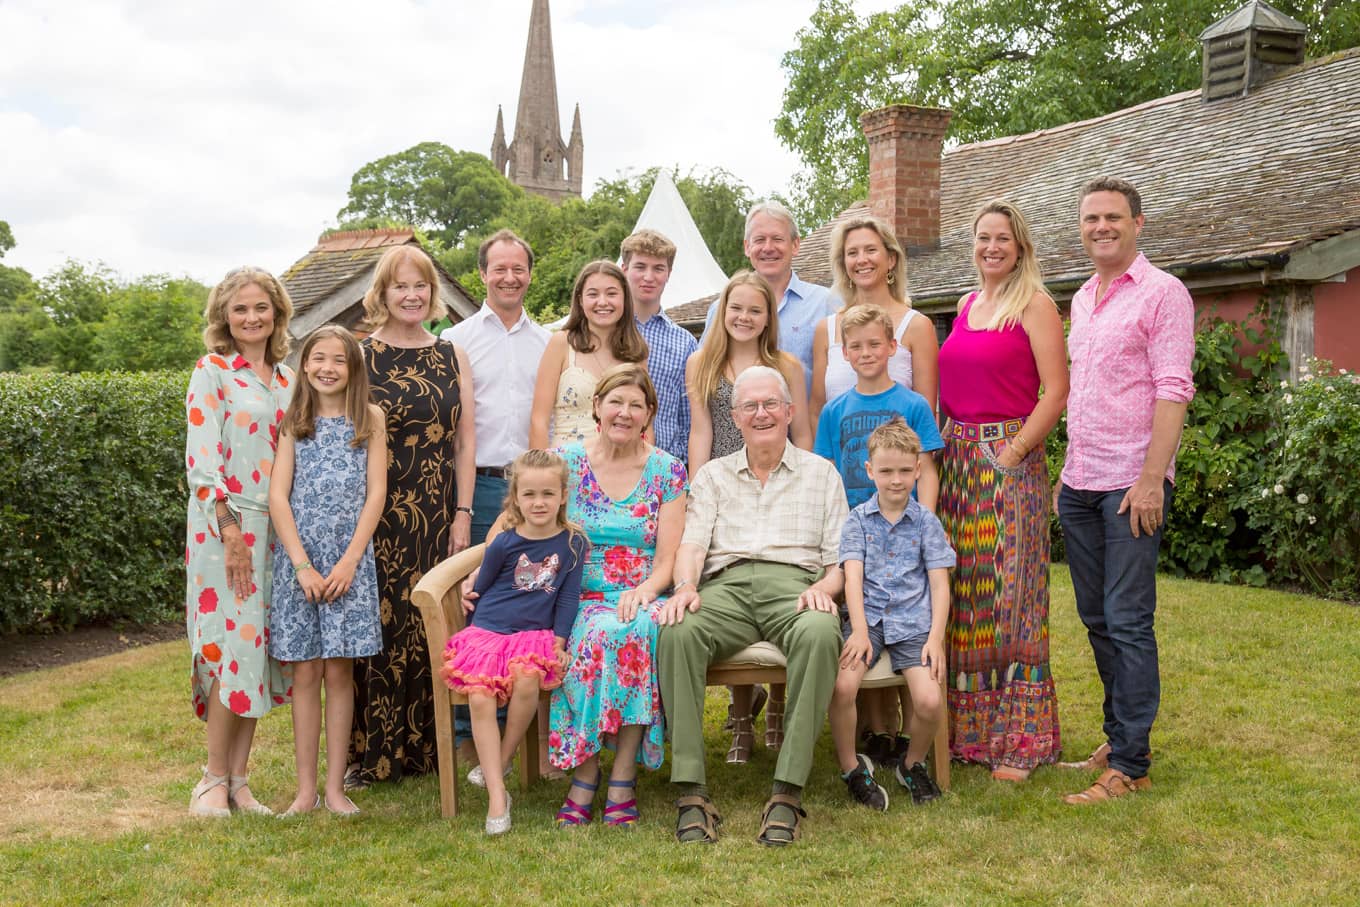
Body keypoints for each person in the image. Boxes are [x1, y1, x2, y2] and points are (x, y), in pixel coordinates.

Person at [658, 365, 848, 847]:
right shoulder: (714, 475)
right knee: (678, 629)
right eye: (749, 407)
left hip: (797, 585)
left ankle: (787, 791)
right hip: (727, 587)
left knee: (821, 632)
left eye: (770, 405)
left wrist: (826, 588)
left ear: (788, 412)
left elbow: (840, 560)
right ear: (736, 417)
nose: (761, 414)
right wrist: (684, 586)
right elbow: (694, 544)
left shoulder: (821, 473)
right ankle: (691, 790)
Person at [1057, 177, 1195, 805]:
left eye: (1113, 217)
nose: (1101, 227)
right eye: (1091, 219)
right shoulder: (1084, 299)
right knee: (1095, 618)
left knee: (1128, 620)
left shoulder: (1163, 294)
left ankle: (1132, 766)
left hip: (1128, 485)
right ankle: (1118, 737)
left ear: (1138, 222)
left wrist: (1149, 479)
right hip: (1079, 482)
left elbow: (1173, 388)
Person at [938, 199, 1070, 782]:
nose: (992, 247)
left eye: (1003, 239)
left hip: (1010, 460)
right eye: (983, 237)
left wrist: (1013, 453)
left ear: (1020, 248)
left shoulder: (1035, 305)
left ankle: (1021, 740)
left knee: (1012, 594)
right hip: (958, 461)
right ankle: (969, 734)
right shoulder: (967, 305)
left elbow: (1056, 391)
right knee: (965, 593)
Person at [348, 245, 477, 790]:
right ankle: (372, 754)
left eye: (420, 286)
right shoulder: (359, 355)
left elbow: (465, 442)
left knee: (428, 621)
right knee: (378, 625)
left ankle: (426, 748)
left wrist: (463, 512)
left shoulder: (452, 354)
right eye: (400, 286)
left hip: (434, 505)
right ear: (382, 293)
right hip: (372, 508)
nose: (411, 294)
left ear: (432, 293)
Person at [548, 365, 688, 828]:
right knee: (591, 637)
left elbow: (667, 559)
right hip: (575, 593)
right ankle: (586, 772)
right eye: (616, 402)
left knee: (635, 629)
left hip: (641, 592)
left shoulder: (667, 470)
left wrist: (644, 591)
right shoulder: (565, 462)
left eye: (636, 405)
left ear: (649, 414)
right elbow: (523, 521)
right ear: (597, 407)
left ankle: (622, 774)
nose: (624, 413)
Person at [183, 266, 296, 818]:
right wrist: (229, 530)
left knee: (257, 652)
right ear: (224, 317)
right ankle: (210, 779)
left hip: (276, 528)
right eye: (240, 309)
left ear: (277, 312)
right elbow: (202, 466)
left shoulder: (288, 380)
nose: (252, 318)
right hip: (223, 525)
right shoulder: (213, 372)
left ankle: (241, 781)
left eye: (261, 308)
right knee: (230, 647)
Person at [268, 326, 386, 817]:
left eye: (339, 359)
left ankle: (336, 788)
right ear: (305, 364)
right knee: (305, 674)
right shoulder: (295, 420)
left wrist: (349, 560)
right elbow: (278, 495)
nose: (327, 368)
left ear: (353, 367)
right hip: (300, 565)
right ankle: (304, 790)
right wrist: (302, 566)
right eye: (318, 358)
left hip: (349, 564)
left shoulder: (370, 419)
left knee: (340, 673)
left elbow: (375, 493)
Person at [443, 448, 587, 835]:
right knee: (479, 695)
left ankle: (503, 758)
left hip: (535, 636)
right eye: (529, 495)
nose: (538, 503)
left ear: (562, 496)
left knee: (527, 680)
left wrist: (559, 640)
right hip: (490, 630)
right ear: (515, 499)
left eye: (547, 494)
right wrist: (469, 605)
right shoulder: (505, 542)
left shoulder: (573, 544)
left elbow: (569, 597)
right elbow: (482, 585)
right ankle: (496, 797)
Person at [830, 420, 955, 810]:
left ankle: (912, 763)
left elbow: (939, 585)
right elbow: (852, 580)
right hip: (867, 623)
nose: (896, 480)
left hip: (913, 625)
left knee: (930, 701)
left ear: (918, 469)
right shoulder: (857, 521)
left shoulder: (926, 524)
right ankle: (851, 766)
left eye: (904, 470)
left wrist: (935, 638)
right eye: (886, 471)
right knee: (843, 686)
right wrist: (861, 632)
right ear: (870, 472)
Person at [441, 229, 550, 548]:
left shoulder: (548, 344)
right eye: (499, 269)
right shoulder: (454, 340)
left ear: (530, 275)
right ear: (483, 273)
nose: (509, 278)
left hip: (535, 486)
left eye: (518, 269)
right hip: (477, 486)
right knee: (472, 588)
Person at [811, 214, 939, 426]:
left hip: (899, 458)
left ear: (891, 259)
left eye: (871, 250)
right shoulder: (827, 329)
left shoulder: (917, 326)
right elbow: (816, 412)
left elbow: (926, 417)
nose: (862, 259)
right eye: (852, 253)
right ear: (844, 264)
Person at [814, 304, 943, 511]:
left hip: (905, 520)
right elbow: (827, 474)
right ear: (845, 353)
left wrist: (927, 522)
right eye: (856, 346)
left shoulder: (915, 405)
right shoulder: (832, 411)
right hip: (852, 523)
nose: (866, 353)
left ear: (892, 347)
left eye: (874, 344)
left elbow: (926, 471)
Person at [703, 200, 838, 392]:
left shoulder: (826, 303)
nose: (768, 248)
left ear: (795, 245)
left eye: (777, 239)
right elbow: (705, 374)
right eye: (759, 240)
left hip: (806, 421)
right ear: (747, 247)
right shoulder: (721, 310)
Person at [688, 270, 812, 473]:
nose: (744, 317)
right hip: (722, 479)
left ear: (768, 319)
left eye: (755, 311)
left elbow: (801, 434)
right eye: (736, 308)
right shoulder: (700, 363)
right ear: (723, 311)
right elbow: (701, 433)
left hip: (777, 476)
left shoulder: (787, 366)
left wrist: (802, 479)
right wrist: (696, 491)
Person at [530, 261, 648, 448]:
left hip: (622, 468)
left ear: (625, 298)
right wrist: (539, 473)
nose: (602, 302)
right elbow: (539, 420)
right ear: (580, 300)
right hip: (566, 469)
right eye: (593, 294)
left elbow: (645, 426)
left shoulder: (635, 352)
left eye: (611, 294)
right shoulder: (561, 343)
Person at [622, 229, 697, 465]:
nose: (649, 276)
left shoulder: (685, 342)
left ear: (669, 274)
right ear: (625, 270)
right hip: (606, 466)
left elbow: (689, 418)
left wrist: (678, 465)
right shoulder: (605, 331)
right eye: (640, 267)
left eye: (658, 268)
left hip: (663, 464)